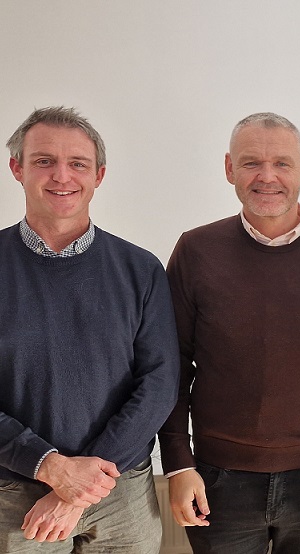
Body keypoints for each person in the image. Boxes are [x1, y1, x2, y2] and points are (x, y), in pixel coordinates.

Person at [158, 112, 300, 553]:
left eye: (282, 163)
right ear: (228, 169)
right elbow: (171, 366)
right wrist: (178, 464)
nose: (267, 176)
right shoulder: (195, 251)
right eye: (250, 163)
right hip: (217, 477)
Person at [0, 106, 180, 552]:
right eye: (44, 160)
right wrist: (51, 469)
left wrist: (85, 483)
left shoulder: (141, 269)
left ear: (99, 175)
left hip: (124, 495)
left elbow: (160, 382)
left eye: (78, 163)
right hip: (17, 494)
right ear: (17, 168)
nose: (62, 175)